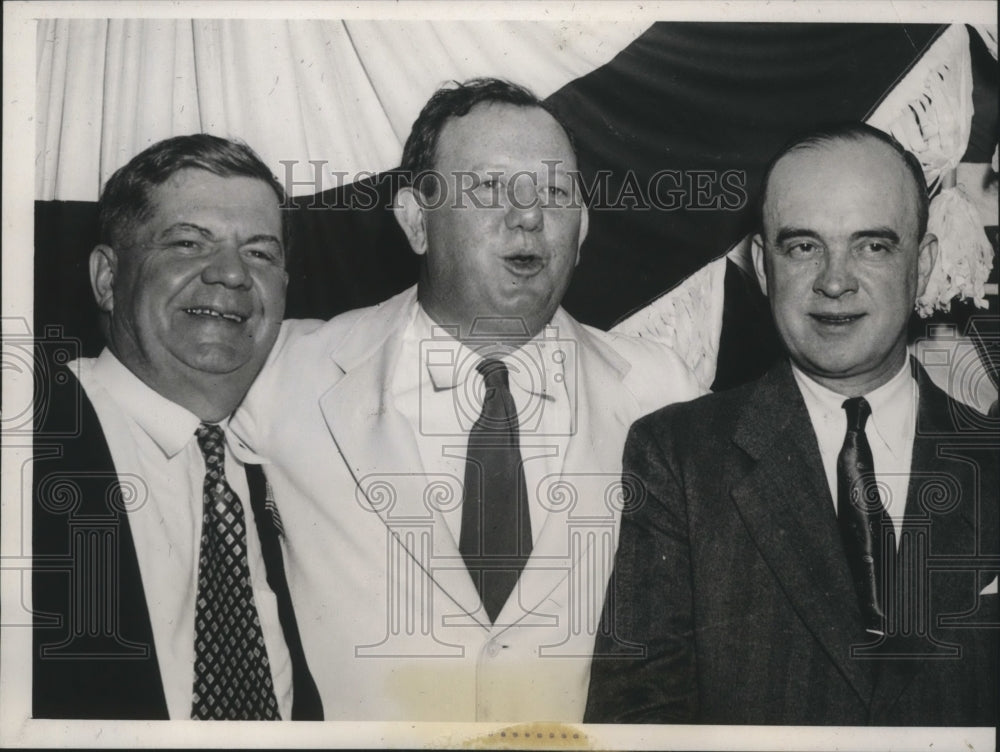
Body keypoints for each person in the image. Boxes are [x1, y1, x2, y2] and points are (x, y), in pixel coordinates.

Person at [232, 77, 704, 721]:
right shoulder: (286, 373)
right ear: (415, 221)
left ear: (584, 226)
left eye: (557, 192)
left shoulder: (664, 393)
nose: (529, 215)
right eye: (487, 187)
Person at [585, 123, 999, 725]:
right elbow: (640, 720)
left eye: (873, 245)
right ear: (761, 265)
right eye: (804, 246)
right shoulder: (678, 456)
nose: (835, 280)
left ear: (925, 263)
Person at [32, 135, 322, 720]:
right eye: (189, 243)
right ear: (108, 278)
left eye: (261, 254)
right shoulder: (29, 430)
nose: (232, 274)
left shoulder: (303, 450)